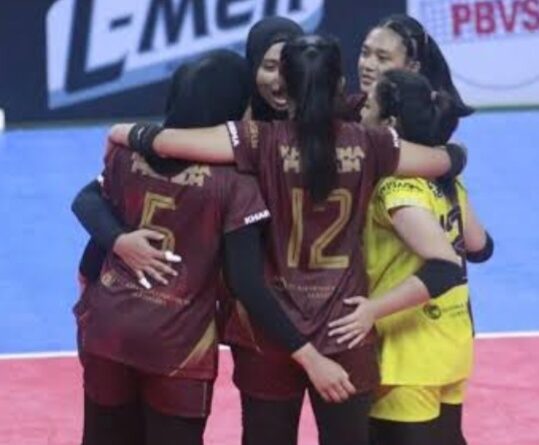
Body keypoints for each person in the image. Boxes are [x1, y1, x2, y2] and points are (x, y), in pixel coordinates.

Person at [107, 35, 468, 445]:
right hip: (344, 329)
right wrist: (456, 153)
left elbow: (165, 141)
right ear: (340, 85)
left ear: (284, 87)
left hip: (267, 333)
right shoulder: (373, 143)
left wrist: (122, 131)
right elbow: (446, 161)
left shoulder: (257, 139)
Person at [73, 49, 354, 445]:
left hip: (108, 328)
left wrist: (97, 278)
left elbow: (89, 204)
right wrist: (307, 354)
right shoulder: (235, 183)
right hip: (177, 347)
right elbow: (245, 281)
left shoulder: (126, 153)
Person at [330, 69, 493, 445]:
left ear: (388, 124)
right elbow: (480, 247)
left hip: (408, 355)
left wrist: (372, 310)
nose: (360, 111)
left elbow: (444, 268)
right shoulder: (446, 177)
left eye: (368, 106)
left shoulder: (396, 188)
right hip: (451, 343)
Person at [346, 13, 473, 134]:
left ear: (412, 67)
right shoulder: (350, 107)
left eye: (382, 58)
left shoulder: (425, 121)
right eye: (365, 53)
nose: (368, 65)